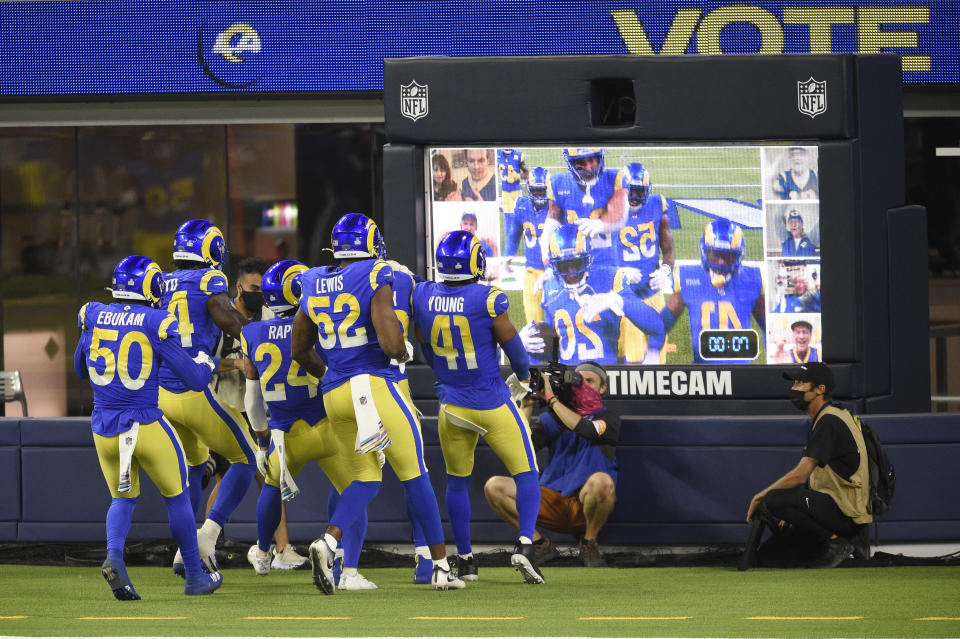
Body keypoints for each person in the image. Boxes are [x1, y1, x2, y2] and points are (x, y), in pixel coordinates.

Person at [292, 212, 464, 591]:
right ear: (372, 245)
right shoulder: (377, 273)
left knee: (365, 479)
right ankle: (439, 567)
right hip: (374, 386)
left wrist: (333, 373)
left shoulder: (313, 279)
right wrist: (401, 353)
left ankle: (329, 541)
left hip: (334, 393)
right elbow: (389, 342)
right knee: (415, 475)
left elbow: (300, 349)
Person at [75, 255, 222, 599]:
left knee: (122, 499)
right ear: (152, 287)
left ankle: (114, 556)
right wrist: (207, 361)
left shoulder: (93, 314)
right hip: (145, 421)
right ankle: (195, 577)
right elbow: (195, 380)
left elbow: (80, 370)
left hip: (104, 427)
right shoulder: (157, 319)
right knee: (178, 496)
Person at [411, 230, 543, 584]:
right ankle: (526, 545)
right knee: (527, 473)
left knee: (456, 483)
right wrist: (526, 377)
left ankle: (466, 560)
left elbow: (424, 343)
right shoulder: (488, 299)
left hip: (452, 406)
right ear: (475, 262)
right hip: (491, 400)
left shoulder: (422, 295)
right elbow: (515, 349)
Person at [242, 260, 381, 590]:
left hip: (284, 436)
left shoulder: (252, 332)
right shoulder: (317, 325)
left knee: (272, 487)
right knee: (358, 486)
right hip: (328, 425)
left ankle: (263, 553)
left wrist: (261, 442)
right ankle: (349, 572)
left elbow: (251, 401)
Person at [158, 220, 258, 576]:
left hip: (161, 391)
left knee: (195, 467)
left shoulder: (164, 282)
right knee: (248, 458)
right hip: (191, 389)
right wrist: (259, 334)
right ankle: (205, 538)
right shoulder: (209, 280)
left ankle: (184, 554)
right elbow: (227, 317)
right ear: (211, 250)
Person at [485, 362, 619, 568]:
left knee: (602, 482)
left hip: (585, 505)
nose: (582, 386)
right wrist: (527, 405)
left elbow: (588, 430)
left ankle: (589, 543)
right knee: (494, 486)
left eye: (589, 381)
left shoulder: (608, 417)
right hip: (552, 500)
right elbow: (522, 447)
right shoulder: (551, 419)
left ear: (603, 388)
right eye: (578, 381)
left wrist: (552, 399)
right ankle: (540, 544)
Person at [746, 363, 872, 568]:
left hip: (846, 514)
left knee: (774, 499)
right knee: (772, 554)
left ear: (820, 389)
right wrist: (796, 513)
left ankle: (836, 543)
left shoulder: (828, 421)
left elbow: (800, 476)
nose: (794, 388)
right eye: (794, 383)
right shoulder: (832, 415)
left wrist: (760, 497)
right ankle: (842, 542)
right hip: (842, 508)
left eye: (801, 383)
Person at [534, 224, 664, 366]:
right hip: (568, 379)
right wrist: (528, 346)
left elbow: (656, 326)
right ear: (554, 266)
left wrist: (616, 300)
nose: (571, 272)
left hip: (606, 376)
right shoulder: (549, 288)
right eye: (564, 265)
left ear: (587, 258)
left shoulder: (610, 278)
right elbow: (552, 352)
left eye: (576, 263)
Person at [662, 219, 765, 364]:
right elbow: (660, 325)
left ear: (738, 256)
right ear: (705, 251)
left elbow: (769, 327)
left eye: (727, 257)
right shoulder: (688, 277)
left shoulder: (753, 279)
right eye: (715, 256)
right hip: (703, 371)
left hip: (741, 373)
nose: (721, 263)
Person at [612, 162, 676, 365]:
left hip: (652, 293)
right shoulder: (609, 211)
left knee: (658, 361)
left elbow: (669, 250)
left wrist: (665, 270)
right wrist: (619, 271)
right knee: (630, 361)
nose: (634, 197)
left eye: (639, 192)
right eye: (630, 192)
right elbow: (596, 256)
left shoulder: (657, 204)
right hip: (626, 296)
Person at [544, 148, 628, 271]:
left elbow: (618, 213)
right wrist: (547, 263)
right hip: (573, 263)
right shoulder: (558, 183)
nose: (588, 167)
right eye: (581, 162)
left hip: (608, 261)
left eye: (592, 160)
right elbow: (551, 225)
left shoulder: (616, 177)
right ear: (570, 162)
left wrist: (599, 224)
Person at [503, 166, 552, 325]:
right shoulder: (522, 205)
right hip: (531, 271)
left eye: (541, 190)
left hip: (554, 273)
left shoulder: (557, 207)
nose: (538, 194)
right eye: (535, 190)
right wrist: (508, 256)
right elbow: (514, 233)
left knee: (558, 321)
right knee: (533, 324)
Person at [497, 148, 527, 214]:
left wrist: (516, 176)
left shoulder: (518, 155)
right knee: (509, 218)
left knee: (519, 217)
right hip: (505, 192)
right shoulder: (497, 153)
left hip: (517, 191)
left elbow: (527, 174)